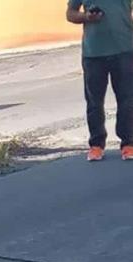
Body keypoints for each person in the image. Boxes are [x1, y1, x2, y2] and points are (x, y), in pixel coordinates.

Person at [67, 1, 133, 161]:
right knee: (94, 102)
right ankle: (96, 145)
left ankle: (128, 144)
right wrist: (87, 17)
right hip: (93, 53)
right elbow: (70, 14)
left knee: (128, 99)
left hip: (125, 49)